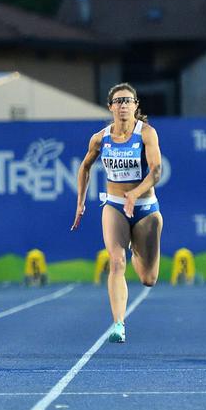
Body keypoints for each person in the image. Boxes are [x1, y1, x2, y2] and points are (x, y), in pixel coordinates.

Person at [72, 82, 162, 343]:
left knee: (148, 279)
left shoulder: (146, 133)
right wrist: (80, 202)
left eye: (128, 101)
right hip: (114, 205)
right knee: (116, 261)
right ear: (110, 107)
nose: (123, 105)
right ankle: (118, 324)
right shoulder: (100, 138)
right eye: (118, 101)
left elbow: (156, 171)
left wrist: (135, 193)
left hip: (145, 208)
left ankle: (136, 248)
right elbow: (84, 167)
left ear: (136, 106)